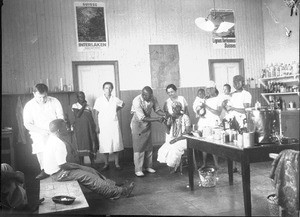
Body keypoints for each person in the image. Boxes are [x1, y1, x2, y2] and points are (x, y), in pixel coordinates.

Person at [43, 119, 134, 200]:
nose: (67, 129)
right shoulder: (58, 143)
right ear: (59, 130)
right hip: (59, 174)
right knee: (88, 177)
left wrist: (79, 167)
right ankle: (119, 192)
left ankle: (112, 185)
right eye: (65, 127)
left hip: (60, 169)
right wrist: (78, 167)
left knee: (90, 170)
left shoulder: (52, 138)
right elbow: (62, 165)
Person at [23, 83, 64, 180]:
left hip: (54, 130)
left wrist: (56, 129)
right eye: (39, 97)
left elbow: (61, 117)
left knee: (56, 147)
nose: (42, 99)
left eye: (44, 97)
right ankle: (44, 170)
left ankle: (59, 169)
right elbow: (27, 124)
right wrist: (41, 131)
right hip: (38, 132)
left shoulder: (54, 101)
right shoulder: (29, 105)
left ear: (47, 93)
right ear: (34, 94)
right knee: (40, 146)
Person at [130, 86, 166, 177]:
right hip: (138, 124)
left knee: (148, 145)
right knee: (139, 147)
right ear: (143, 95)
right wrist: (157, 119)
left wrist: (167, 114)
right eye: (148, 97)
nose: (150, 98)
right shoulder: (136, 101)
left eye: (151, 96)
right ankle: (138, 169)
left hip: (147, 123)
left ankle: (148, 166)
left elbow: (157, 110)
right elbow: (142, 118)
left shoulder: (152, 98)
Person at [94, 82, 125, 171]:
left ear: (112, 89)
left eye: (110, 88)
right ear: (103, 89)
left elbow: (123, 104)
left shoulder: (115, 99)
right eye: (106, 88)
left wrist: (115, 110)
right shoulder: (99, 100)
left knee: (116, 143)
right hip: (103, 125)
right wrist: (97, 126)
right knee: (105, 144)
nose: (108, 89)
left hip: (113, 124)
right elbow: (95, 113)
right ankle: (106, 163)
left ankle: (117, 163)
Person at [157, 101, 191, 173]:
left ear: (180, 108)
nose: (175, 109)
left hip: (183, 139)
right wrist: (166, 123)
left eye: (177, 108)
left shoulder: (185, 117)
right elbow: (168, 132)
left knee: (174, 149)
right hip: (174, 139)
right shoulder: (171, 117)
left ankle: (175, 166)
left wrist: (176, 139)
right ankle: (173, 165)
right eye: (173, 108)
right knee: (164, 148)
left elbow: (188, 132)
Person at [72, 91, 99, 167]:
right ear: (77, 98)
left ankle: (93, 164)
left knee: (90, 144)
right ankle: (82, 165)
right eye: (80, 97)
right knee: (81, 145)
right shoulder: (75, 105)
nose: (82, 98)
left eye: (83, 96)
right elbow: (77, 115)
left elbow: (92, 117)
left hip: (89, 128)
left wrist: (95, 127)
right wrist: (84, 105)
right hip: (80, 129)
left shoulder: (89, 106)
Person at [199, 81, 222, 169]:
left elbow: (218, 112)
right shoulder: (206, 99)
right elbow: (203, 111)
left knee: (214, 144)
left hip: (214, 123)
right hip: (205, 123)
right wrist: (201, 112)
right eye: (207, 89)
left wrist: (206, 106)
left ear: (214, 89)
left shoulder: (218, 99)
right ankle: (204, 164)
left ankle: (216, 164)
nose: (208, 91)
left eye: (210, 89)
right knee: (205, 144)